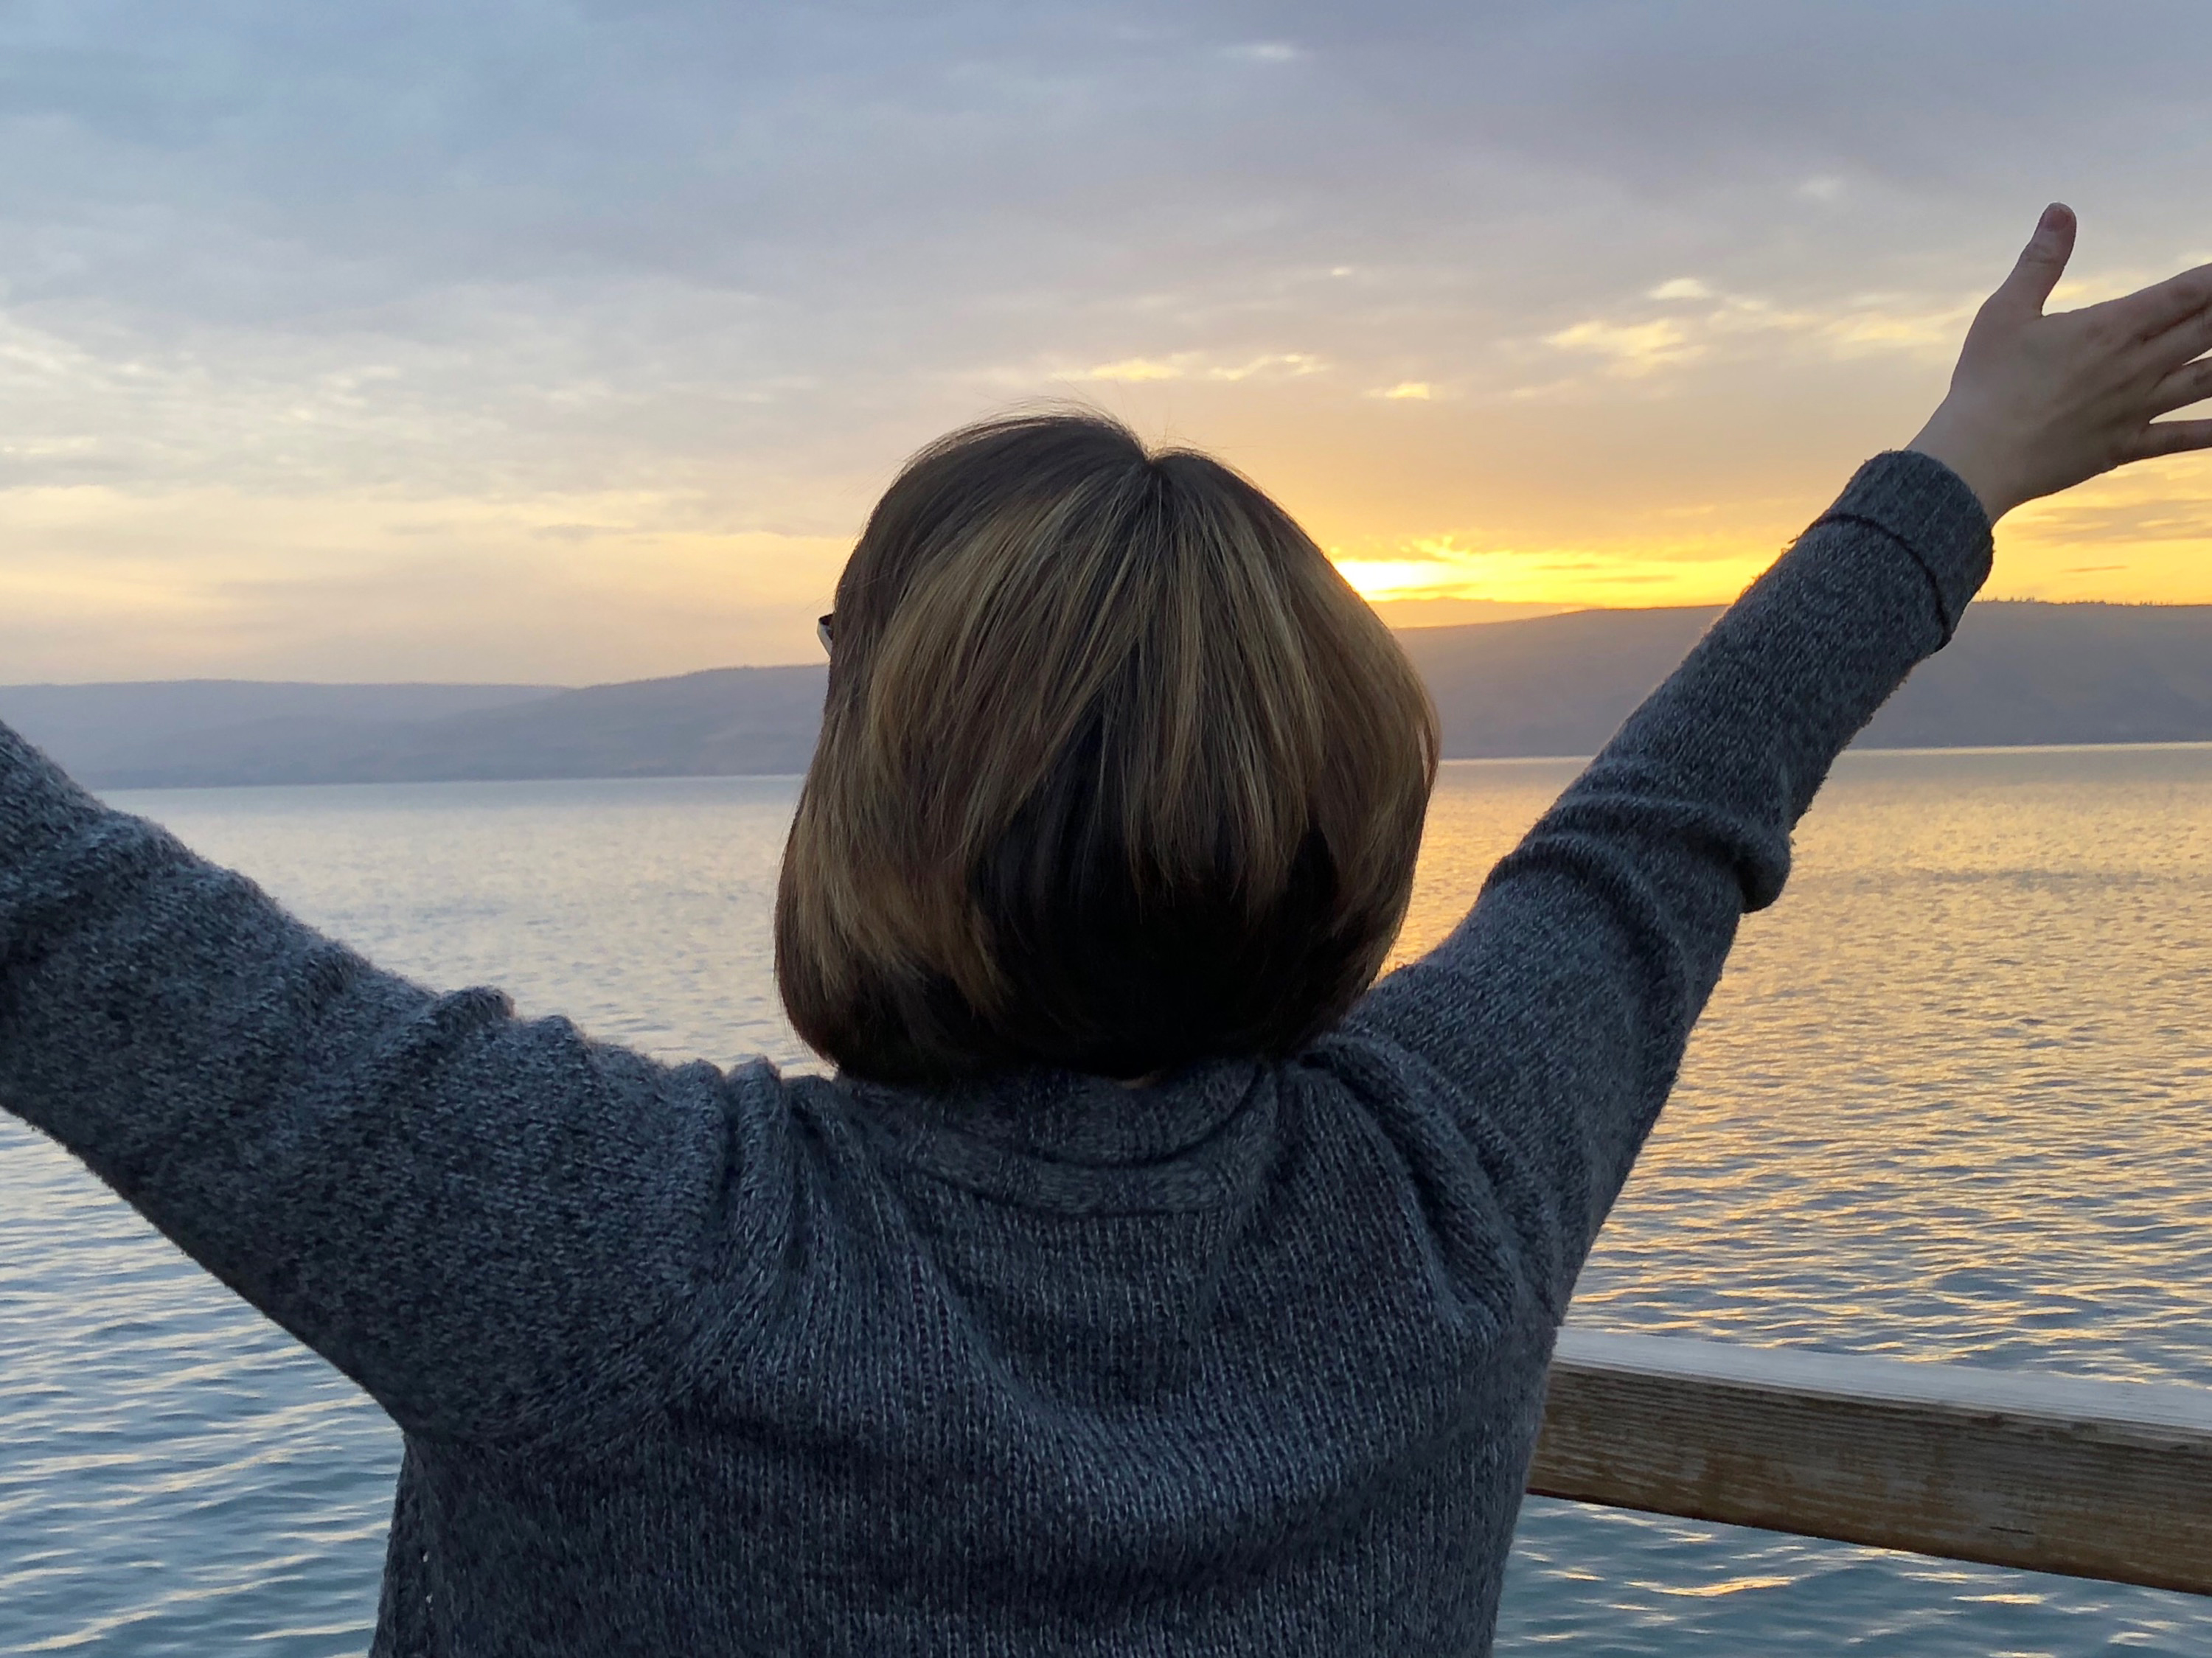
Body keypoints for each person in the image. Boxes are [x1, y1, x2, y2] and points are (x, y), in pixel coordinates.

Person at [1, 205, 2208, 1657]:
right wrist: (1958, 465)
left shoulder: (617, 1241)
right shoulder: (1450, 1191)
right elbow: (1676, 813)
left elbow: (59, 914)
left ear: (871, 786)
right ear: (1349, 792)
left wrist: (1955, 467)